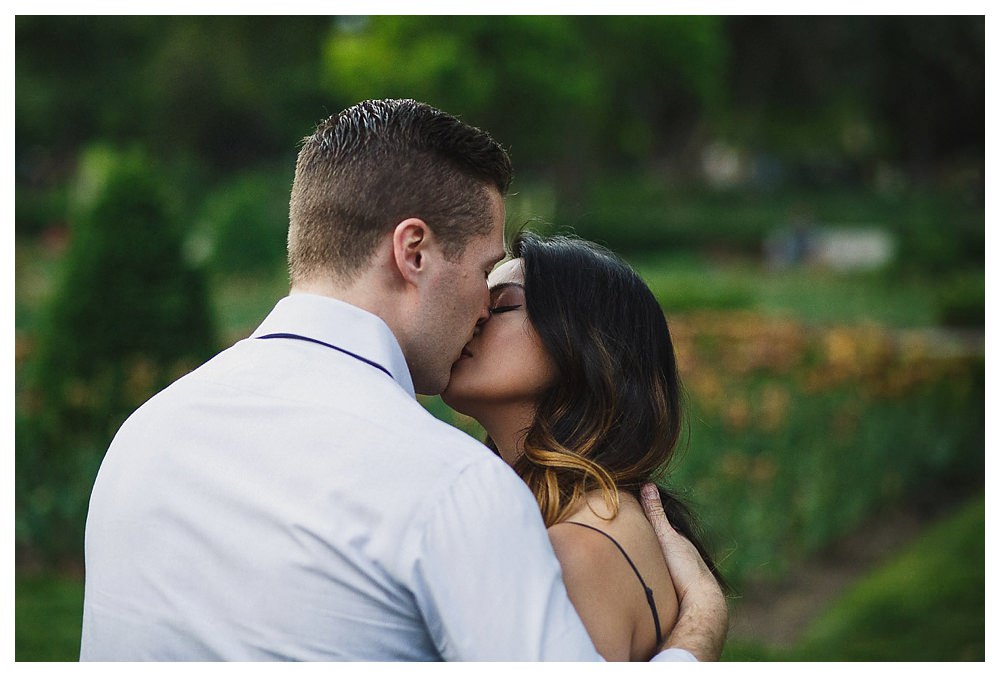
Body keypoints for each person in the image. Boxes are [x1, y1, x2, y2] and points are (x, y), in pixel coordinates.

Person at [80, 98, 726, 661]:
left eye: (503, 297)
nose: (481, 306)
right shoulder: (451, 486)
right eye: (484, 272)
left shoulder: (145, 432)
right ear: (412, 252)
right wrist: (695, 638)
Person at [442, 232, 727, 661]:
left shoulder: (577, 551)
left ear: (586, 344)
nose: (472, 317)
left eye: (501, 305)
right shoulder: (596, 517)